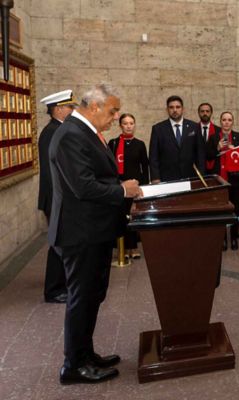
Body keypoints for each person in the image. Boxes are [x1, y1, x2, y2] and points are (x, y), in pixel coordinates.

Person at [48, 84, 142, 384]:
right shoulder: (70, 135)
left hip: (94, 230)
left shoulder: (83, 131)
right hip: (80, 233)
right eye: (113, 111)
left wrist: (120, 190)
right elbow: (83, 186)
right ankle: (73, 365)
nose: (116, 117)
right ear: (95, 107)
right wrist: (121, 190)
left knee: (92, 296)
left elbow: (97, 176)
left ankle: (86, 354)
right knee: (81, 298)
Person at [37, 89, 77, 303]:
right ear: (59, 109)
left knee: (61, 242)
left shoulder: (56, 129)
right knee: (57, 244)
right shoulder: (53, 132)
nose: (72, 110)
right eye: (70, 107)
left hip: (57, 197)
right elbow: (53, 172)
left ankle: (61, 285)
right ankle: (53, 290)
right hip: (55, 197)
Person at [107, 113, 149, 258]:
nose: (129, 126)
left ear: (134, 125)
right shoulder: (113, 143)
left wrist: (142, 187)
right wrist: (116, 184)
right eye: (125, 123)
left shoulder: (140, 144)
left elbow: (145, 168)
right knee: (120, 217)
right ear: (120, 126)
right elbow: (108, 168)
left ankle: (133, 247)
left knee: (133, 218)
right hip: (119, 187)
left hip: (135, 187)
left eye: (131, 123)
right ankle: (122, 248)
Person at [206, 111, 239, 251]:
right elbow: (208, 156)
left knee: (236, 210)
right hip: (219, 180)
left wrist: (233, 149)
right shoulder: (212, 138)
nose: (227, 122)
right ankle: (223, 240)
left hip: (235, 180)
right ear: (220, 121)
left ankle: (234, 238)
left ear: (232, 122)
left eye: (229, 120)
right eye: (224, 120)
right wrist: (217, 147)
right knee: (221, 211)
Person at [149, 95, 205, 183]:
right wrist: (155, 177)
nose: (175, 110)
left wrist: (201, 176)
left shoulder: (194, 127)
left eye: (178, 107)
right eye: (171, 107)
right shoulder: (158, 129)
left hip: (190, 177)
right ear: (167, 109)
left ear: (183, 109)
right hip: (167, 178)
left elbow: (200, 154)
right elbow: (153, 156)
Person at [198, 102, 221, 173]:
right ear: (198, 113)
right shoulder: (193, 129)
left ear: (211, 113)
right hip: (198, 168)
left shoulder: (219, 131)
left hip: (215, 169)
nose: (205, 113)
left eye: (207, 111)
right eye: (202, 111)